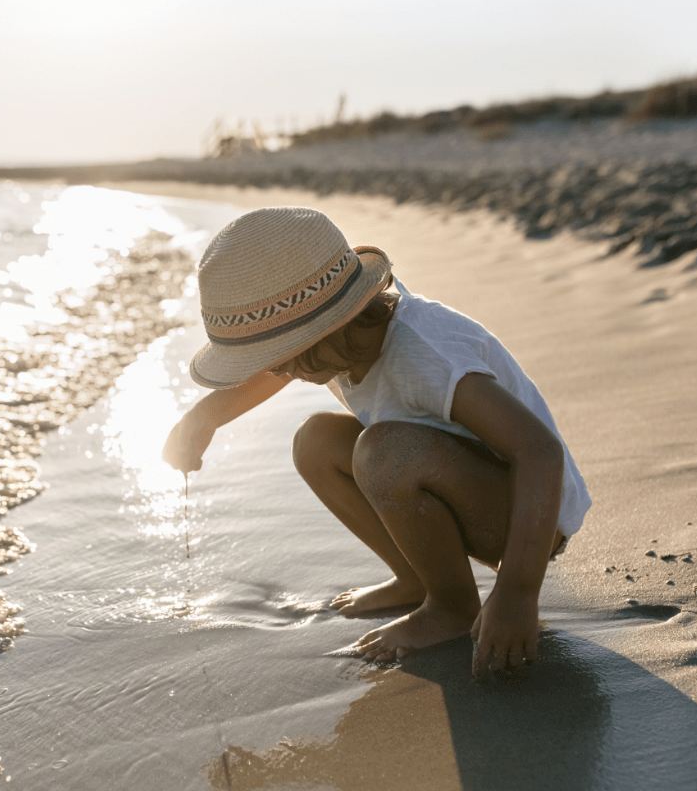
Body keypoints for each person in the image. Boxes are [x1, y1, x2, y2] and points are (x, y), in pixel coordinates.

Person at [162, 206, 591, 677]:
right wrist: (203, 419)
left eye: (277, 359)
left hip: (527, 520)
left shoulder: (425, 354)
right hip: (455, 489)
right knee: (316, 441)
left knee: (382, 451)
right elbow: (273, 374)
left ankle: (451, 608)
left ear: (320, 333)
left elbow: (539, 451)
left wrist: (518, 593)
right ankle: (415, 578)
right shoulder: (348, 335)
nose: (275, 371)